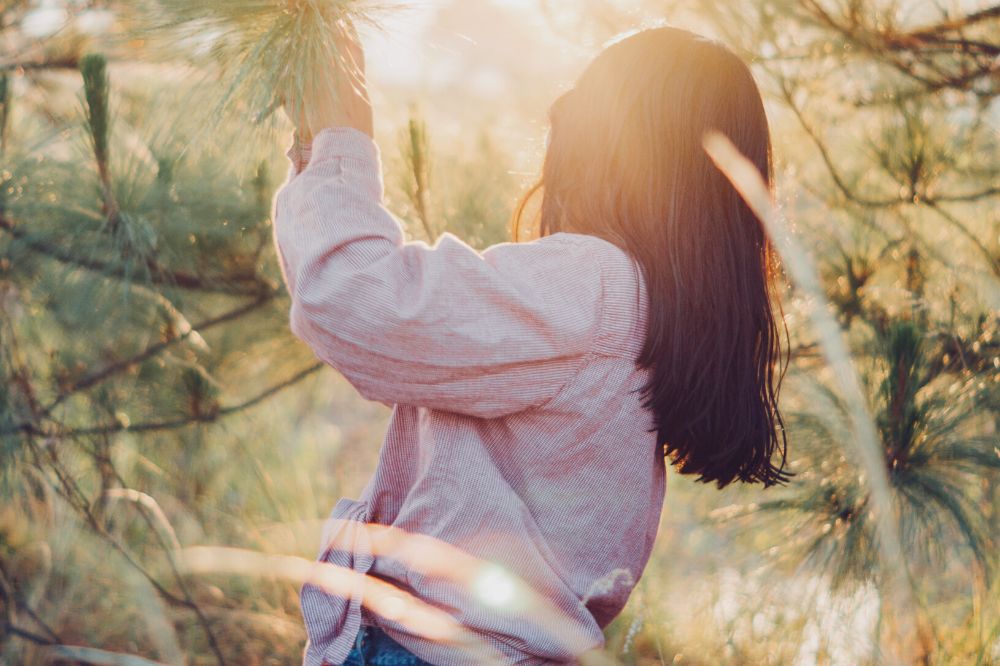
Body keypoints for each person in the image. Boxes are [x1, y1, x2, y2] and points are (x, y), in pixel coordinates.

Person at [274, 21, 792, 666]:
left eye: (582, 99)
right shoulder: (656, 303)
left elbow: (352, 301)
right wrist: (315, 148)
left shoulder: (593, 287)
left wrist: (341, 140)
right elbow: (346, 304)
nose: (561, 111)